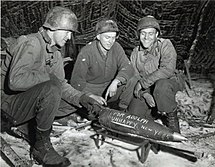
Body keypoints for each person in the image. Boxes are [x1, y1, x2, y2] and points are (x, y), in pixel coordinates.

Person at [1, 6, 98, 167]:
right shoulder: (31, 43)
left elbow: (61, 84)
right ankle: (41, 147)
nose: (69, 37)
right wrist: (48, 76)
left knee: (70, 101)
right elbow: (15, 81)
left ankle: (29, 125)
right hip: (4, 107)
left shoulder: (55, 54)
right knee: (52, 88)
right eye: (67, 32)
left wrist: (83, 98)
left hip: (20, 103)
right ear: (53, 28)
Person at [118, 16, 185, 133]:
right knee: (134, 116)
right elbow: (134, 76)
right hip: (147, 89)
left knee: (161, 86)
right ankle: (153, 116)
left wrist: (142, 84)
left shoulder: (165, 45)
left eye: (150, 33)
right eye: (143, 33)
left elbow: (167, 70)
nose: (146, 37)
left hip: (168, 83)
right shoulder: (135, 53)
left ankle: (171, 117)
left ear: (157, 34)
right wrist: (144, 94)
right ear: (138, 35)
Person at [70, 18, 134, 111]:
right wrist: (90, 95)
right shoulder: (86, 52)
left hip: (109, 88)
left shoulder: (116, 47)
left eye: (113, 37)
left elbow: (127, 67)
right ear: (98, 36)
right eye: (107, 37)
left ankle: (121, 110)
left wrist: (116, 81)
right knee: (94, 115)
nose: (110, 41)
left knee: (133, 79)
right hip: (91, 90)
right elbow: (77, 82)